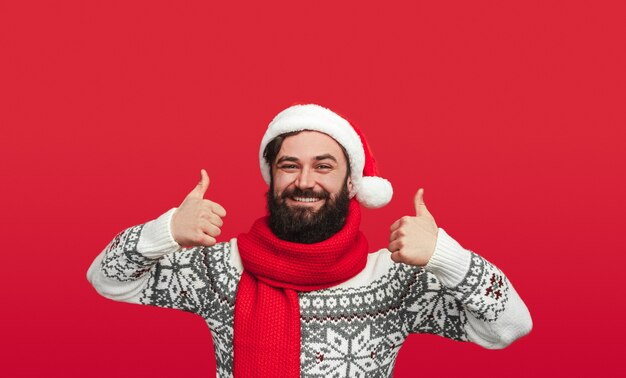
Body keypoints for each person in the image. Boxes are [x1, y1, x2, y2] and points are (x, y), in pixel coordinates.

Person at [87, 104, 532, 378]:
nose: (304, 181)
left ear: (351, 183)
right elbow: (106, 279)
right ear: (271, 176)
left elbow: (508, 325)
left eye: (323, 166)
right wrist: (164, 231)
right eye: (289, 165)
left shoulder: (394, 281)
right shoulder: (221, 269)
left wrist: (444, 257)